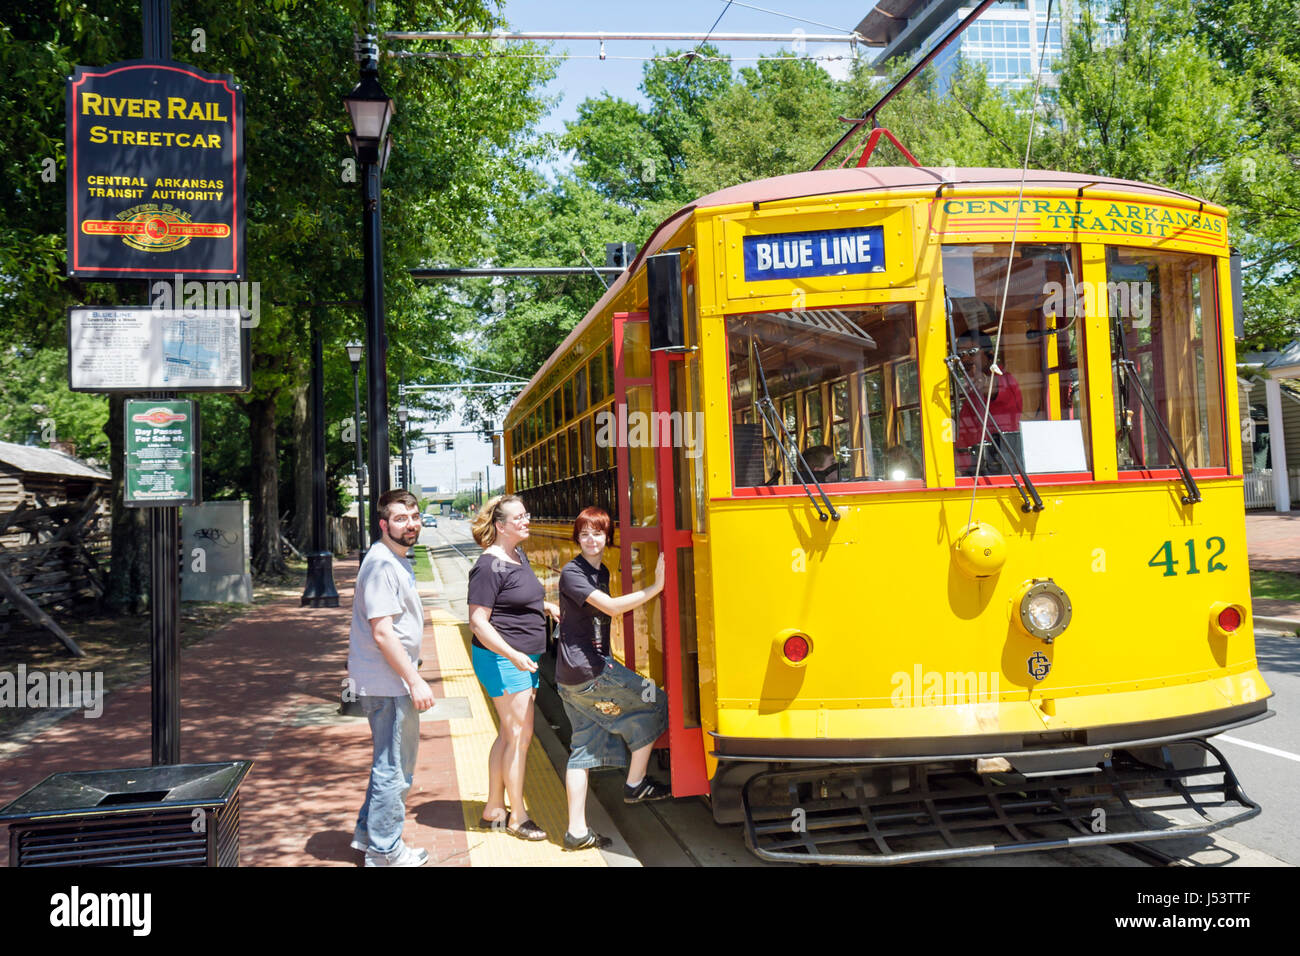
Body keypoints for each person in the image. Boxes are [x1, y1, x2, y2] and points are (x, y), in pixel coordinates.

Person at [555, 506, 671, 851]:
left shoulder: (599, 570)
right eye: (585, 534)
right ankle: (635, 783)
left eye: (598, 533)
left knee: (583, 748)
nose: (591, 540)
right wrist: (657, 586)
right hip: (589, 671)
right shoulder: (573, 573)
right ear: (578, 538)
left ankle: (577, 832)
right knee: (656, 702)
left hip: (574, 672)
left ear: (608, 537)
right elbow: (612, 608)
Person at [348, 489, 436, 867]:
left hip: (387, 679)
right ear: (384, 524)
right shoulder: (383, 565)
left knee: (388, 762)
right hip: (390, 682)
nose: (410, 524)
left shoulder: (393, 558)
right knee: (394, 768)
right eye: (401, 519)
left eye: (414, 516)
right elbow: (382, 632)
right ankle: (385, 851)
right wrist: (414, 680)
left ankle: (372, 836)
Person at [467, 494, 560, 841]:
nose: (526, 521)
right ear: (500, 526)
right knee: (520, 737)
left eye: (526, 515)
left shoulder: (515, 555)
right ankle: (518, 817)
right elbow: (478, 622)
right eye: (518, 517)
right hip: (504, 659)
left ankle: (494, 807)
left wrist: (545, 606)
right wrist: (512, 654)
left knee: (509, 734)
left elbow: (516, 600)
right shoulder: (489, 566)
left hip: (522, 658)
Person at [955, 332, 1023, 473]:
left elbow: (991, 386)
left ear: (990, 354)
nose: (965, 359)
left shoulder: (1007, 382)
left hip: (997, 468)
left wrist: (980, 379)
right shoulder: (971, 390)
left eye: (972, 352)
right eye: (961, 355)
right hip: (971, 472)